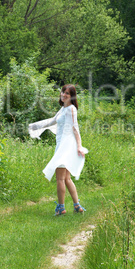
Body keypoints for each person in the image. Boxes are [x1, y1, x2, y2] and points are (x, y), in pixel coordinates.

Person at [28, 84, 88, 215]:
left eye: (67, 93)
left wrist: (79, 146)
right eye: (63, 92)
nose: (64, 95)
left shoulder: (71, 109)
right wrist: (34, 126)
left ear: (71, 96)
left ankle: (61, 208)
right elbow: (51, 121)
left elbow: (75, 128)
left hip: (66, 146)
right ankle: (77, 206)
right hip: (61, 145)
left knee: (60, 178)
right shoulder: (62, 109)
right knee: (66, 178)